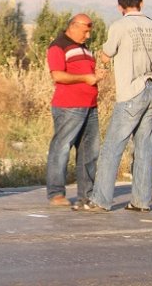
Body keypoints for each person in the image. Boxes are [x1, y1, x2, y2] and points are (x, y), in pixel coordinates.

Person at [85, 0, 152, 212]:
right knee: (144, 149)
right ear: (141, 3)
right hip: (151, 89)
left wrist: (101, 58)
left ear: (120, 7)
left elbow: (106, 53)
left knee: (112, 147)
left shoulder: (119, 26)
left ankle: (100, 200)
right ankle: (141, 201)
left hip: (130, 92)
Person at [45, 13, 103, 209]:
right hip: (69, 106)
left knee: (89, 152)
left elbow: (86, 74)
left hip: (90, 106)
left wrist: (96, 76)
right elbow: (58, 75)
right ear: (74, 25)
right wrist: (86, 78)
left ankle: (86, 195)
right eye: (85, 31)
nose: (87, 35)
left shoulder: (84, 49)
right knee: (61, 148)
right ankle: (56, 193)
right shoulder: (58, 45)